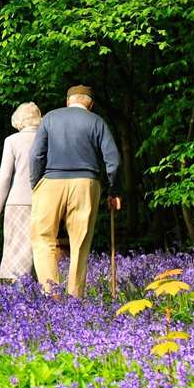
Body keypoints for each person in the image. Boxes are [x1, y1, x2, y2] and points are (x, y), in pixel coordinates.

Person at [30, 84, 122, 297]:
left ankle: (50, 293)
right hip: (85, 183)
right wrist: (114, 191)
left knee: (43, 238)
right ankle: (75, 297)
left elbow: (36, 155)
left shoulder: (50, 118)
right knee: (80, 241)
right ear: (90, 104)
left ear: (68, 101)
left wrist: (35, 183)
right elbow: (113, 161)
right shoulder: (97, 122)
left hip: (51, 182)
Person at [0, 102, 42, 281]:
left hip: (18, 202)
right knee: (40, 246)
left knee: (17, 247)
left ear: (19, 120)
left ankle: (18, 292)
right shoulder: (47, 139)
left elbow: (4, 176)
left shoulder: (12, 141)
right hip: (44, 200)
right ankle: (42, 291)